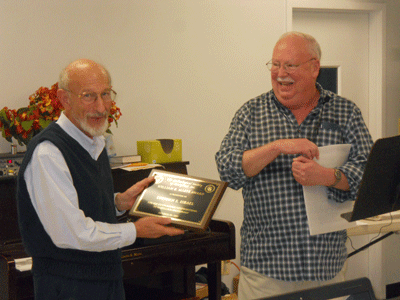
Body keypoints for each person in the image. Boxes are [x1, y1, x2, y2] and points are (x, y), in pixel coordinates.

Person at [215, 32, 374, 299]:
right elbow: (228, 169)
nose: (280, 74)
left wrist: (328, 176)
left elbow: (369, 174)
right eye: (275, 65)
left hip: (326, 268)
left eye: (290, 65)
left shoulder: (346, 112)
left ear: (314, 68)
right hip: (266, 272)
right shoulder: (250, 113)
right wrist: (276, 147)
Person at [17, 59, 184, 300]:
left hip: (106, 281)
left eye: (106, 94)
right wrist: (135, 230)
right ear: (64, 99)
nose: (101, 106)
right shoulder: (48, 152)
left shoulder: (95, 142)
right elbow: (71, 232)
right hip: (68, 288)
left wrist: (117, 203)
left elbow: (82, 202)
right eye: (89, 96)